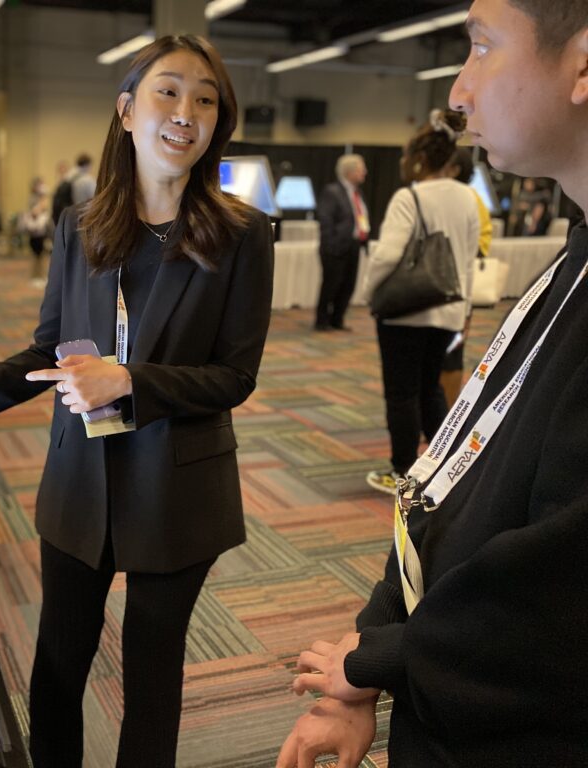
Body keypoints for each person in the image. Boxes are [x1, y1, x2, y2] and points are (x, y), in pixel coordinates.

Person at [0, 34, 274, 768]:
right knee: (56, 670)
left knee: (151, 679)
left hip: (179, 486)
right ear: (126, 110)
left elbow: (234, 377)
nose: (187, 112)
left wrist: (131, 382)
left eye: (207, 99)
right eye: (168, 91)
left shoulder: (241, 235)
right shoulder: (79, 228)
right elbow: (48, 351)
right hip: (81, 480)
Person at [278, 1, 588, 765]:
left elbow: (556, 599)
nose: (457, 89)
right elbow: (455, 487)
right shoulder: (573, 258)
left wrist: (379, 660)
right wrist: (382, 647)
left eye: (482, 47)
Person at [363, 109, 479, 494]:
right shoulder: (468, 197)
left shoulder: (408, 196)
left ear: (418, 157)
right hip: (448, 310)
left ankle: (402, 471)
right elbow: (467, 262)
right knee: (430, 389)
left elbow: (387, 255)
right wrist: (463, 312)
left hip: (405, 312)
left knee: (402, 393)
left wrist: (369, 292)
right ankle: (443, 465)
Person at [440, 147, 494, 407]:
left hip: (455, 288)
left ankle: (446, 411)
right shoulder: (434, 195)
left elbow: (482, 242)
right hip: (442, 289)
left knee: (451, 352)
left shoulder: (471, 199)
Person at [315, 154, 369, 331]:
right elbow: (326, 220)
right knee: (331, 284)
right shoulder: (332, 191)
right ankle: (322, 321)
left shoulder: (357, 192)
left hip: (353, 245)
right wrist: (331, 244)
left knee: (348, 285)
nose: (365, 173)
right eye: (361, 169)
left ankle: (337, 320)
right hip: (336, 246)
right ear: (350, 171)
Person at [21, 176, 51, 284]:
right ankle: (36, 276)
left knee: (42, 254)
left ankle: (40, 275)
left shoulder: (42, 198)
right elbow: (35, 211)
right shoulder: (34, 198)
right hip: (35, 230)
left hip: (41, 230)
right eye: (39, 185)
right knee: (37, 254)